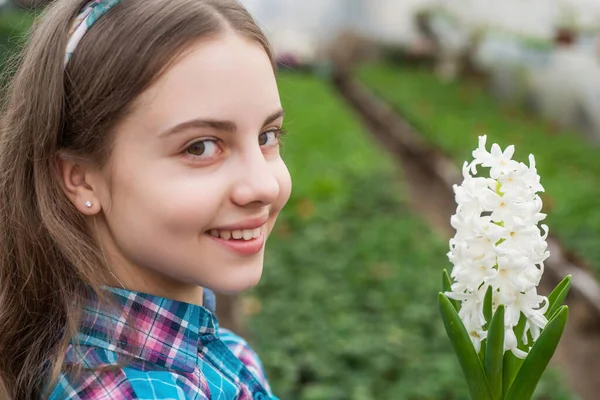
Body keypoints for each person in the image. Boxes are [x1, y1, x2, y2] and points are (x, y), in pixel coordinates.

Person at [0, 0, 291, 398]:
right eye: (201, 147)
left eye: (267, 137)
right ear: (81, 179)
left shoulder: (220, 351)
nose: (264, 186)